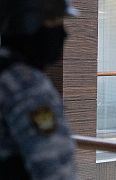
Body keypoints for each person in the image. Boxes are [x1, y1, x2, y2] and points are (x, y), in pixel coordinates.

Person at [0, 0, 79, 179]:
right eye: (53, 21)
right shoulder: (25, 85)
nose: (64, 33)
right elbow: (54, 167)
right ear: (28, 22)